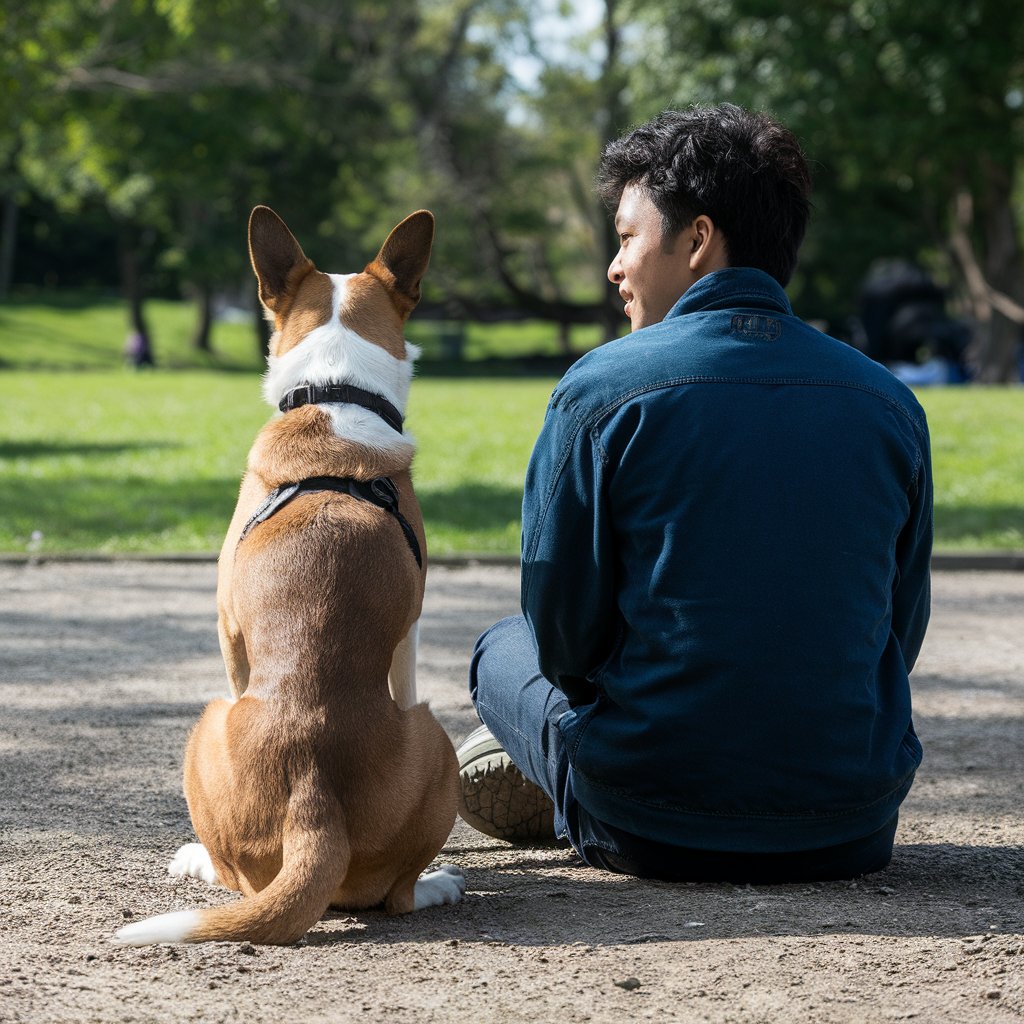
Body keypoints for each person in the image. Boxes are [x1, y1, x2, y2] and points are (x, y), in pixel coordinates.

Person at [456, 103, 932, 883]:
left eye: (626, 238)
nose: (614, 268)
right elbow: (896, 638)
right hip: (850, 828)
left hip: (651, 825)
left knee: (499, 649)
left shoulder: (600, 391)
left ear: (698, 239)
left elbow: (563, 645)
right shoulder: (889, 404)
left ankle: (554, 770)